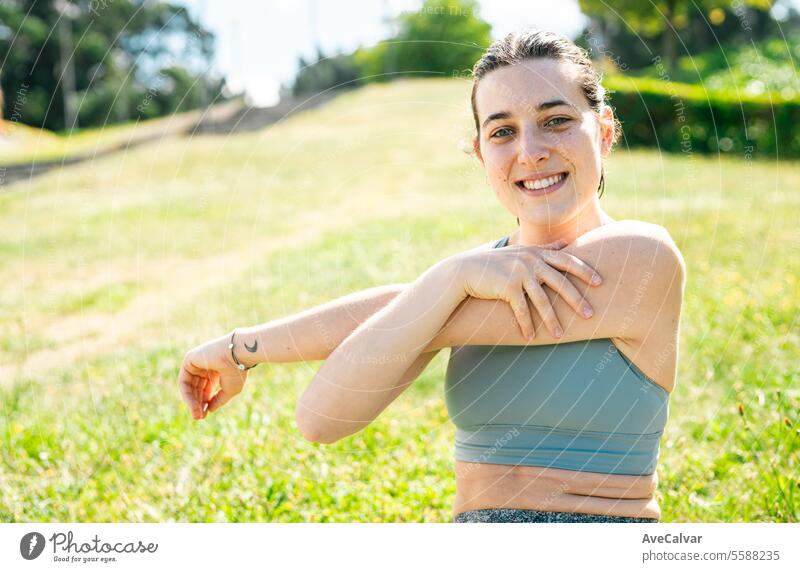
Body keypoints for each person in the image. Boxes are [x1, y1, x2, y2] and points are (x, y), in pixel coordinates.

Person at [177, 29, 685, 523]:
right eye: (502, 131)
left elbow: (411, 312)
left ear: (604, 131)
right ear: (481, 153)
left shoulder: (643, 258)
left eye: (555, 120)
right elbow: (321, 419)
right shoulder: (467, 279)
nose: (530, 151)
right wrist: (452, 277)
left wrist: (446, 283)